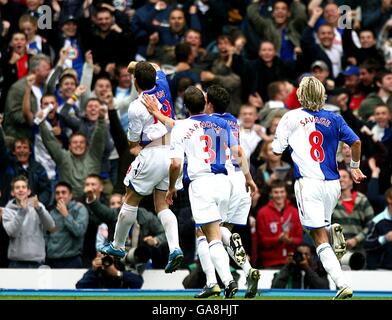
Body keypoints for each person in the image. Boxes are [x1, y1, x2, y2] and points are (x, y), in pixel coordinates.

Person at [148, 85, 256, 298]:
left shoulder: (184, 126)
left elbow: (176, 160)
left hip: (202, 184)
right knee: (216, 230)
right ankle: (236, 268)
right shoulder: (225, 122)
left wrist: (171, 188)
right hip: (226, 182)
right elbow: (239, 151)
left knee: (210, 236)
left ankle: (223, 281)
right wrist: (249, 178)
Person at [272, 76, 367, 300]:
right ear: (323, 95)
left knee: (316, 236)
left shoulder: (291, 116)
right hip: (333, 184)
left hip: (308, 182)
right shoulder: (335, 118)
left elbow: (277, 150)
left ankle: (342, 284)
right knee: (319, 230)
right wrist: (354, 167)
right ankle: (331, 229)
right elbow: (356, 142)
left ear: (299, 95)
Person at [98, 61, 183, 275]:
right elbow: (154, 65)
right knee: (162, 205)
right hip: (172, 149)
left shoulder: (136, 106)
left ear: (135, 80)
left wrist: (131, 67)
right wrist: (136, 66)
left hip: (152, 152)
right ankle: (175, 248)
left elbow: (133, 142)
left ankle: (117, 246)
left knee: (130, 198)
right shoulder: (162, 83)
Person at [2, 175, 55, 268]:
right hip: (16, 262)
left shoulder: (38, 206)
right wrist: (22, 211)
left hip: (37, 261)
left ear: (29, 191)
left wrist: (39, 209)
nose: (21, 190)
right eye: (17, 187)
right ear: (12, 192)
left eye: (23, 187)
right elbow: (12, 232)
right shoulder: (7, 210)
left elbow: (51, 226)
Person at [45, 182, 89, 268]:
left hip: (71, 259)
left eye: (63, 192)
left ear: (70, 195)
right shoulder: (51, 212)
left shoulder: (79, 209)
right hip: (51, 259)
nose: (60, 195)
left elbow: (79, 231)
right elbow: (46, 234)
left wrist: (66, 214)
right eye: (57, 193)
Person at [75, 252, 143, 289]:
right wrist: (93, 270)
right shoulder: (95, 271)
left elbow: (138, 282)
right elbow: (80, 286)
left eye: (108, 254)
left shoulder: (120, 266)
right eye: (102, 254)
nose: (105, 257)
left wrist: (118, 273)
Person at [364, 187, 392, 270]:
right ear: (389, 199)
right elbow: (366, 244)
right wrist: (384, 238)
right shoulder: (377, 221)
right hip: (381, 270)